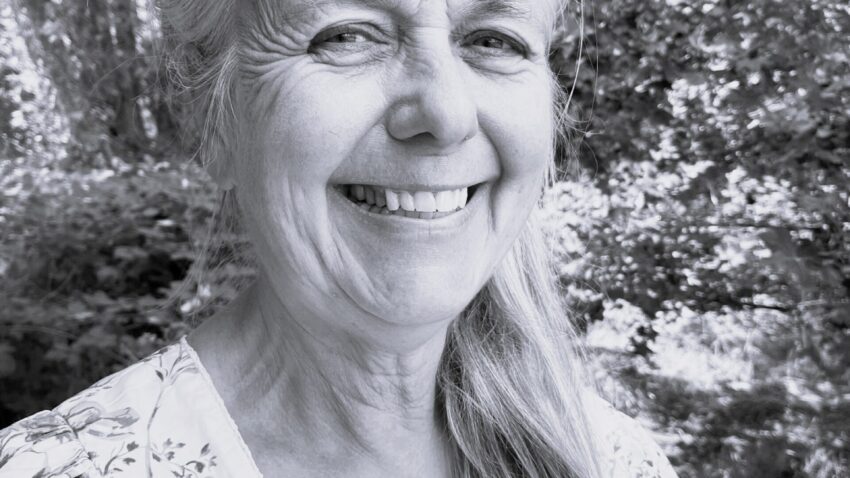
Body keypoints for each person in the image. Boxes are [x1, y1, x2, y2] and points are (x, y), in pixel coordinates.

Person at [0, 0, 678, 476]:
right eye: (346, 35)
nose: (444, 113)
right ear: (211, 119)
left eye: (494, 40)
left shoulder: (615, 461)